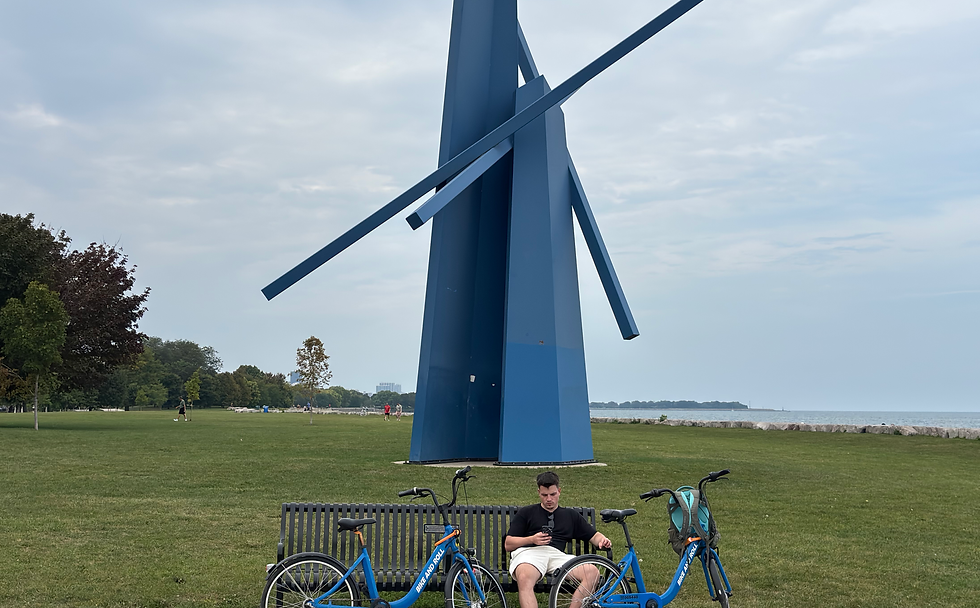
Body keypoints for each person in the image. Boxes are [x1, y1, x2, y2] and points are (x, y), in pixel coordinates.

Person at [505, 471, 612, 608]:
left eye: (553, 494)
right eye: (544, 495)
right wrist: (532, 539)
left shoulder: (570, 515)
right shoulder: (527, 512)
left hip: (557, 556)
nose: (549, 499)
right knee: (525, 577)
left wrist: (602, 540)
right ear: (539, 492)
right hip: (529, 553)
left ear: (559, 491)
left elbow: (594, 536)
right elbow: (508, 544)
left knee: (592, 572)